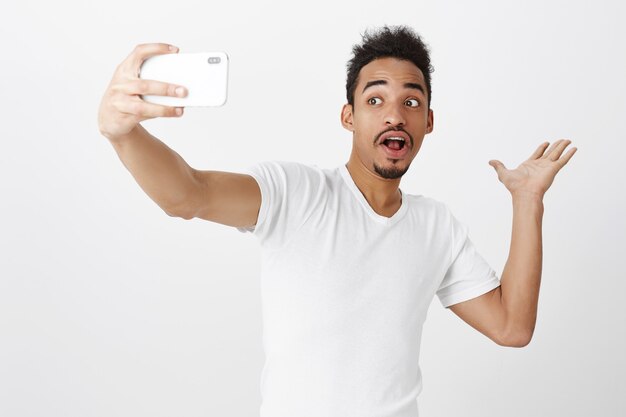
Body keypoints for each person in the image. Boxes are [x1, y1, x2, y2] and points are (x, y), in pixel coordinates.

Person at [98, 25, 577, 417]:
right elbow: (188, 194)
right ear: (348, 116)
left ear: (429, 120)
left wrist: (527, 200)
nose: (395, 114)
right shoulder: (295, 193)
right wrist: (124, 136)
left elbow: (512, 327)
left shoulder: (436, 225)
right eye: (375, 100)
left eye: (411, 102)